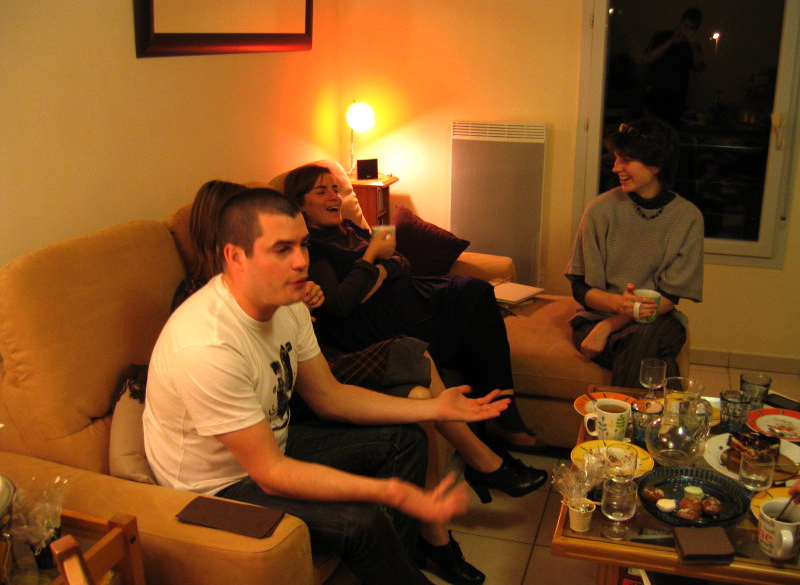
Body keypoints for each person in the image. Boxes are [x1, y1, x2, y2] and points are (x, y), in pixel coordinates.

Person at [171, 180, 545, 585]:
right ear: (234, 256)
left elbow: (329, 396)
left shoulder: (288, 302)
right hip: (220, 483)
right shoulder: (207, 343)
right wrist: (393, 492)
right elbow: (269, 473)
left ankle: (402, 560)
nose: (300, 262)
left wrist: (435, 407)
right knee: (361, 521)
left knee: (407, 439)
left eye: (304, 245)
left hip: (274, 440)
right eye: (282, 249)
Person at [283, 164, 542, 455]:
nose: (335, 197)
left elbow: (402, 261)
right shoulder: (314, 248)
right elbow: (341, 303)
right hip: (382, 320)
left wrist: (378, 272)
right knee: (474, 298)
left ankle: (499, 413)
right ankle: (503, 418)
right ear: (300, 205)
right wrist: (372, 256)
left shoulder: (350, 228)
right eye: (322, 192)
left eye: (335, 189)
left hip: (409, 295)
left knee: (476, 296)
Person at [565, 117, 704, 389]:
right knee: (654, 357)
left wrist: (609, 326)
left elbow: (668, 298)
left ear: (656, 164)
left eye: (626, 160)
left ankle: (617, 415)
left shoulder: (687, 218)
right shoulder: (600, 210)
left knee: (643, 336)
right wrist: (617, 306)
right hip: (594, 319)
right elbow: (580, 288)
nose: (616, 167)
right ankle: (666, 413)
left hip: (657, 319)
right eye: (616, 159)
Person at [642, 7, 706, 127]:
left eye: (691, 28)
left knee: (670, 131)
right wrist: (671, 41)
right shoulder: (663, 36)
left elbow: (699, 67)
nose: (686, 30)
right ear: (680, 23)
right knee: (651, 129)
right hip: (654, 94)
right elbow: (648, 59)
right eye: (685, 25)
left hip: (675, 98)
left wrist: (693, 45)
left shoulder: (692, 46)